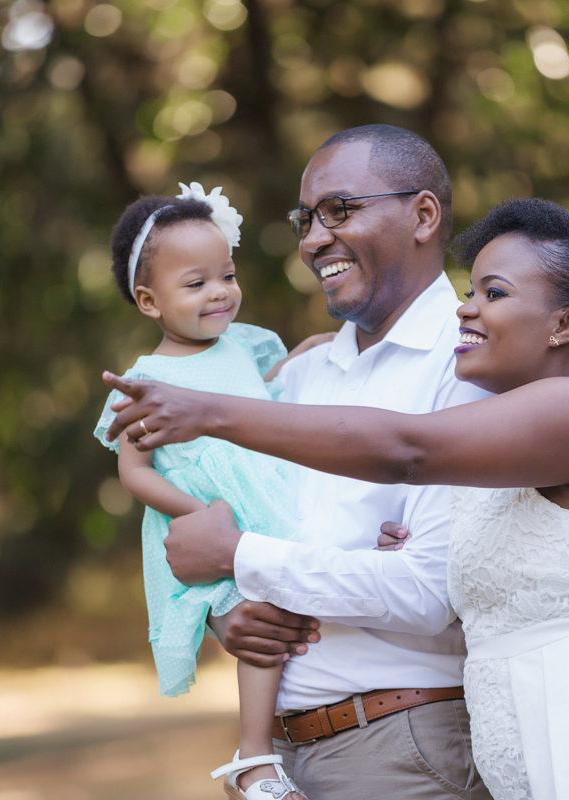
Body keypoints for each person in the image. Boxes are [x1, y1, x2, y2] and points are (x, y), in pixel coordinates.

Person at [105, 198, 569, 799]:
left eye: (494, 294)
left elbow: (406, 450)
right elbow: (435, 575)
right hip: (546, 763)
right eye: (472, 291)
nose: (466, 308)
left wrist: (209, 413)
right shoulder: (505, 437)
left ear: (566, 324)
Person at [105, 126, 493, 799]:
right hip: (289, 758)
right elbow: (260, 522)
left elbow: (426, 595)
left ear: (423, 215)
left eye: (341, 210)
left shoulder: (467, 365)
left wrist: (240, 556)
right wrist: (234, 617)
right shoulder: (301, 374)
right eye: (305, 218)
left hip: (398, 749)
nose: (313, 239)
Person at [93, 182, 325, 800]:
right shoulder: (146, 381)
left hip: (266, 504)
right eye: (195, 284)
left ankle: (282, 747)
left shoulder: (244, 345)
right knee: (259, 629)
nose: (220, 292)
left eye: (226, 275)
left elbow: (268, 393)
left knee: (298, 622)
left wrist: (317, 350)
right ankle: (254, 759)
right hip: (203, 524)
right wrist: (204, 517)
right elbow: (135, 473)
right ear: (150, 300)